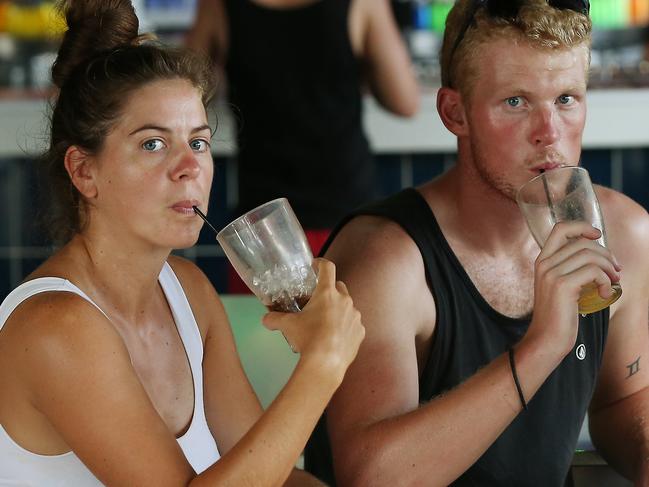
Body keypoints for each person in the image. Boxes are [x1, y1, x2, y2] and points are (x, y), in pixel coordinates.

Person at [0, 1, 365, 485]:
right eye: (153, 144)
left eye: (198, 142)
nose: (190, 167)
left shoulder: (189, 292)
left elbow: (269, 474)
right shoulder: (56, 327)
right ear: (84, 171)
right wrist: (322, 365)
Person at [304, 0, 649, 485]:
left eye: (566, 98)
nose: (548, 133)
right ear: (455, 112)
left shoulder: (627, 234)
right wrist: (543, 345)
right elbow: (372, 477)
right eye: (516, 102)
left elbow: (622, 400)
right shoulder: (386, 259)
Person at [185, 0, 420, 272]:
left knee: (261, 316)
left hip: (263, 222)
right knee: (351, 313)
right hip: (346, 211)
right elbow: (405, 101)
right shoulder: (364, 3)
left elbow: (185, 92)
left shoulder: (218, 5)